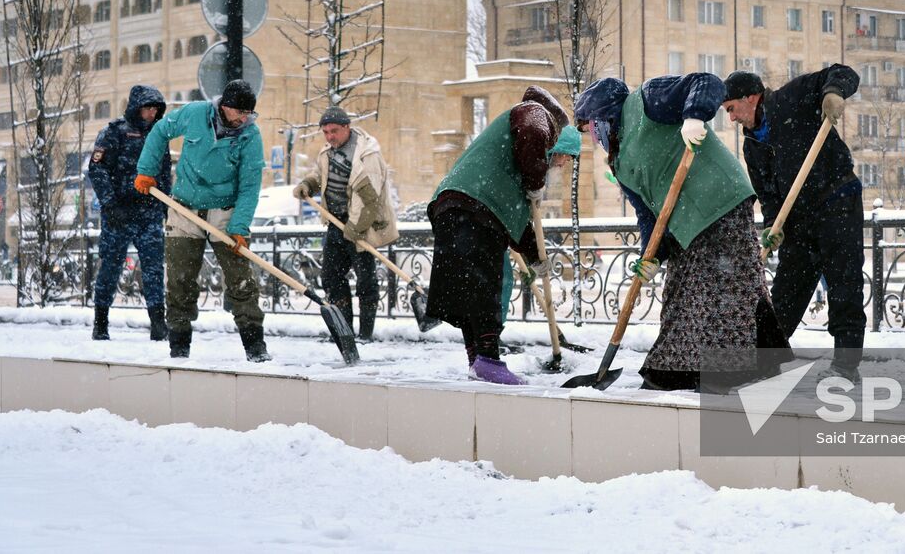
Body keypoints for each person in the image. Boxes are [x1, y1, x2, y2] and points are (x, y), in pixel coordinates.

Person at [575, 73, 785, 391]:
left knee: (719, 285)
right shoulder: (619, 162)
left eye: (590, 126)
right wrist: (652, 255)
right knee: (679, 294)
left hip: (719, 200)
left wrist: (694, 117)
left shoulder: (645, 101)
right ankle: (680, 371)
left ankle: (726, 371)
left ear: (604, 114)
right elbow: (648, 214)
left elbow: (705, 82)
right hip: (684, 224)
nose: (593, 136)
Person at [722, 66, 867, 380]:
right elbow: (769, 196)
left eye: (732, 109)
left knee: (844, 283)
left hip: (836, 200)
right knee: (787, 290)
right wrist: (774, 227)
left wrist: (833, 93)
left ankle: (845, 365)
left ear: (750, 97)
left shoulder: (794, 96)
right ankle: (763, 362)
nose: (731, 118)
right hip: (798, 220)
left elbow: (843, 73)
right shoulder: (752, 146)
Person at [426, 87, 578, 384]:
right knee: (484, 284)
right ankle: (488, 359)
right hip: (474, 207)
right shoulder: (536, 114)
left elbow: (516, 225)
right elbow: (533, 130)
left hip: (453, 205)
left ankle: (478, 360)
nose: (561, 164)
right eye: (563, 158)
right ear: (556, 140)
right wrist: (537, 179)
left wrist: (536, 258)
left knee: (468, 289)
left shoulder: (512, 163)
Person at [134, 79, 269, 362]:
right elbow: (160, 131)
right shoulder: (195, 113)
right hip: (184, 208)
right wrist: (146, 170)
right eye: (240, 112)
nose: (244, 119)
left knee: (240, 280)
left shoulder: (250, 136)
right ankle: (179, 348)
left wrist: (240, 227)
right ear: (225, 106)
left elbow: (250, 185)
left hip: (225, 211)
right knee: (180, 280)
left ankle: (256, 347)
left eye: (249, 114)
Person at [293, 106, 399, 342]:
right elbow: (320, 174)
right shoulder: (327, 152)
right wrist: (308, 184)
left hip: (362, 224)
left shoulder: (365, 154)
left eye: (334, 131)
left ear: (347, 128)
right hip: (335, 223)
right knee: (331, 277)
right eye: (326, 132)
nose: (330, 136)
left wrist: (357, 227)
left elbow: (370, 198)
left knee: (365, 281)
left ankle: (365, 333)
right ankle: (344, 330)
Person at [86, 85, 171, 342]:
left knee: (154, 269)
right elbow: (97, 170)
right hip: (118, 214)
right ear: (137, 107)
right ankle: (100, 322)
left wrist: (165, 206)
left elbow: (165, 174)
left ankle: (158, 322)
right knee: (110, 268)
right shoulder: (114, 133)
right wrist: (110, 205)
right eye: (148, 108)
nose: (152, 113)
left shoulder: (159, 135)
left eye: (156, 109)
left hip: (149, 214)